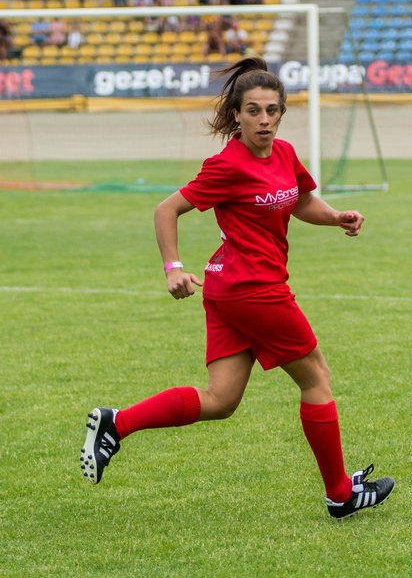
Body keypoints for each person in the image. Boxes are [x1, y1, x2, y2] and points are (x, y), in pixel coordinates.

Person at [80, 57, 395, 520]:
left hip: (228, 290)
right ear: (236, 115)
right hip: (255, 290)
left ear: (282, 113)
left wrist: (334, 217)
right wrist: (172, 267)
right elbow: (165, 210)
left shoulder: (284, 153)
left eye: (271, 110)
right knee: (317, 379)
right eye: (253, 111)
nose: (263, 119)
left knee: (221, 399)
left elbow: (301, 199)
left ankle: (116, 423)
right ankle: (339, 493)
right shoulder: (227, 165)